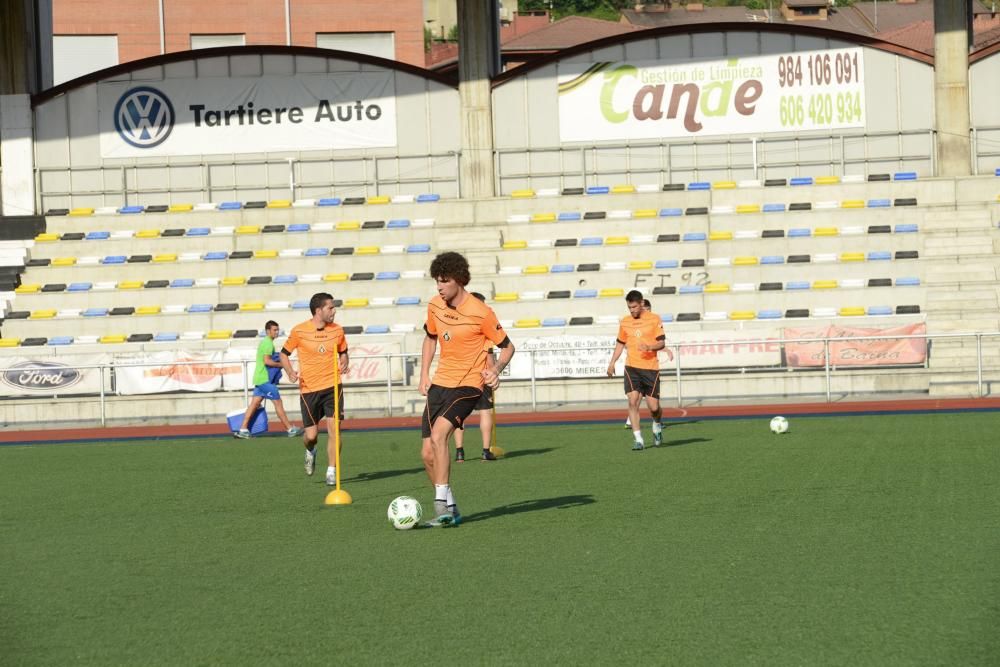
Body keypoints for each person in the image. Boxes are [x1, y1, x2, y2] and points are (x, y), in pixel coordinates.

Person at [420, 252, 515, 527]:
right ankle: (452, 507)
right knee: (427, 454)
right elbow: (430, 338)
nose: (439, 287)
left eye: (444, 281)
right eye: (437, 281)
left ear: (459, 280)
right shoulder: (435, 305)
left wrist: (495, 371)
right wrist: (424, 374)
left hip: (469, 385)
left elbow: (508, 347)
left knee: (440, 436)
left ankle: (439, 506)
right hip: (440, 383)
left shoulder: (481, 312)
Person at [279, 292, 349, 486]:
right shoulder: (299, 331)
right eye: (330, 307)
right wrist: (291, 372)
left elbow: (344, 352)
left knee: (335, 430)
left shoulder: (337, 330)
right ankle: (311, 451)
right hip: (308, 389)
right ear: (319, 310)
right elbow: (283, 354)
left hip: (333, 386)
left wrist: (344, 361)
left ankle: (331, 471)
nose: (334, 311)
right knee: (311, 436)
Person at [607, 290, 672, 450]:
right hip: (632, 368)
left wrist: (650, 347)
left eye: (634, 307)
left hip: (650, 369)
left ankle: (657, 424)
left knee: (654, 408)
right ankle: (638, 439)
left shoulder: (654, 319)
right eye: (629, 307)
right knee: (632, 401)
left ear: (641, 303)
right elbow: (621, 343)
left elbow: (662, 343)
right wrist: (612, 362)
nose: (632, 310)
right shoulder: (625, 322)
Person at [234, 320, 303, 439]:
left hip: (260, 379)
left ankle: (243, 429)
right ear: (268, 331)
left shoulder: (266, 342)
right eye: (274, 330)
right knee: (278, 403)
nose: (277, 332)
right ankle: (290, 429)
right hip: (265, 380)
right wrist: (283, 365)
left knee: (254, 405)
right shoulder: (268, 344)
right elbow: (267, 361)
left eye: (277, 330)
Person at [453, 292, 498, 463]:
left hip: (460, 375)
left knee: (459, 415)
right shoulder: (484, 325)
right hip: (481, 375)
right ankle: (486, 451)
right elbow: (489, 355)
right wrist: (493, 372)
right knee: (485, 412)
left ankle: (459, 452)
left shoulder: (457, 324)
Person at [625, 298, 654, 429]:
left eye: (649, 310)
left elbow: (656, 342)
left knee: (644, 398)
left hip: (649, 365)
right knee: (637, 396)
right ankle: (631, 421)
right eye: (646, 309)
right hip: (636, 365)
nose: (647, 312)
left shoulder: (652, 323)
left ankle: (631, 420)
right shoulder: (632, 323)